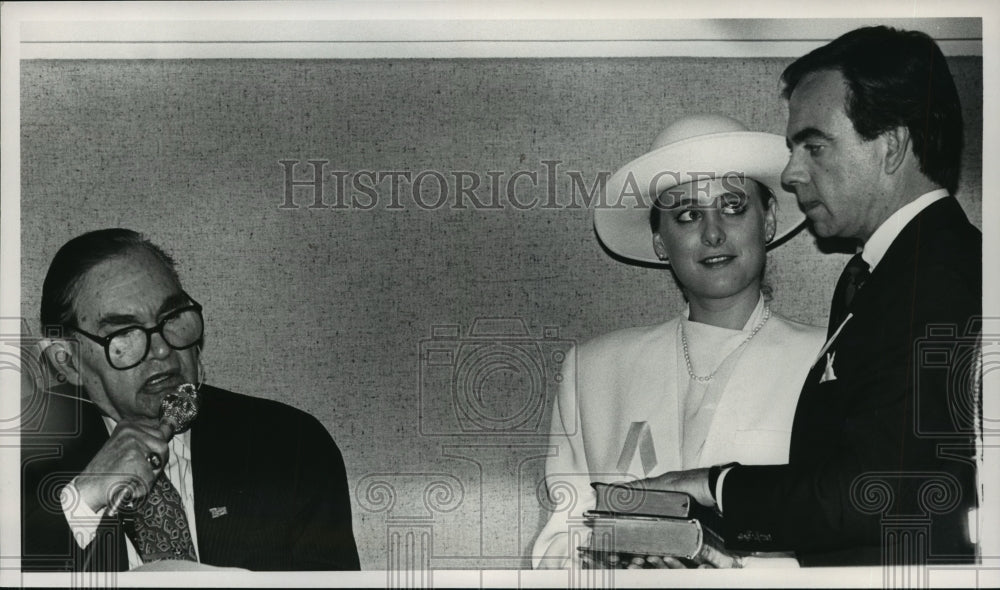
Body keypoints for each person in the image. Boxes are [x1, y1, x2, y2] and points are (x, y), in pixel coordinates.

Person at [644, 26, 981, 566]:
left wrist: (714, 486)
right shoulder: (891, 272)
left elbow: (882, 489)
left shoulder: (940, 276)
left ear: (891, 147)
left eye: (814, 146)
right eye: (792, 148)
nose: (791, 172)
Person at [531, 113, 825, 569]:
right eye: (687, 215)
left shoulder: (829, 359)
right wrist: (607, 560)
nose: (712, 233)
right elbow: (559, 537)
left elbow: (843, 527)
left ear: (767, 221)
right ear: (660, 241)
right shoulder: (593, 370)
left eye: (733, 207)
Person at [21, 228, 361, 571]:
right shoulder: (21, 460)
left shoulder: (292, 446)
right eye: (123, 333)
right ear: (67, 361)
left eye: (172, 318)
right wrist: (82, 500)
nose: (162, 349)